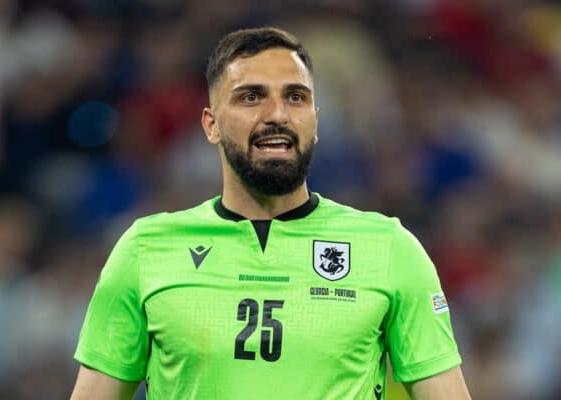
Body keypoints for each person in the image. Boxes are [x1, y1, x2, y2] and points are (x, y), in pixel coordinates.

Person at [70, 27, 471, 400]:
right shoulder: (145, 250)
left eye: (295, 97)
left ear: (315, 122)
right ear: (211, 125)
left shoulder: (389, 249)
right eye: (250, 97)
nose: (277, 115)